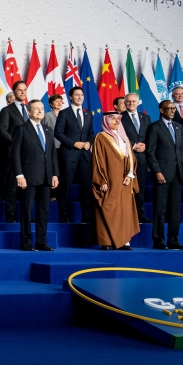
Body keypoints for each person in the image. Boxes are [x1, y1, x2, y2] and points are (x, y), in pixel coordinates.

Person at [12, 99, 60, 252]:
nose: (40, 111)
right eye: (36, 108)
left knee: (44, 211)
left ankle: (41, 242)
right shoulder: (21, 129)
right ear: (29, 111)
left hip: (46, 177)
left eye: (41, 108)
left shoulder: (48, 130)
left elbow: (52, 155)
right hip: (28, 177)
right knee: (27, 210)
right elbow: (15, 154)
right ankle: (26, 242)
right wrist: (19, 175)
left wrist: (55, 174)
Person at [91, 111, 139, 250]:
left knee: (124, 211)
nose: (117, 122)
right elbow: (97, 160)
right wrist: (102, 181)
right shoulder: (101, 137)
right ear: (106, 121)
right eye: (113, 119)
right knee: (108, 209)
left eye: (119, 119)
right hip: (109, 180)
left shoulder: (124, 138)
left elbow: (131, 158)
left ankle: (124, 241)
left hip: (124, 181)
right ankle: (107, 241)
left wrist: (130, 175)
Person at [145, 100, 183, 250]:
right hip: (162, 174)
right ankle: (158, 241)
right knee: (160, 209)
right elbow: (150, 153)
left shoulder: (179, 127)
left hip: (177, 174)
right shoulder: (154, 127)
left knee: (175, 210)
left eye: (173, 108)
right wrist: (157, 171)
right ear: (161, 110)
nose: (172, 111)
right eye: (168, 108)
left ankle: (174, 241)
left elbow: (182, 151)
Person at [54, 85, 95, 224]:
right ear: (71, 97)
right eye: (77, 95)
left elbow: (91, 133)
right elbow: (58, 133)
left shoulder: (88, 113)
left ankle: (87, 217)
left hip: (85, 156)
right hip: (69, 155)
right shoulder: (64, 113)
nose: (80, 97)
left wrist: (89, 142)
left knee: (86, 188)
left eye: (81, 95)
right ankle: (64, 217)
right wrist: (73, 143)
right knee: (65, 187)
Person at [0, 81, 29, 222]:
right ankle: (11, 216)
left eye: (25, 90)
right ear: (14, 92)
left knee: (28, 188)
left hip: (27, 155)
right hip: (12, 154)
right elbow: (1, 130)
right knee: (12, 188)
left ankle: (27, 216)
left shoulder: (30, 109)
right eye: (20, 90)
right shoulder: (6, 111)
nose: (23, 92)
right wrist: (17, 141)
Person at [121, 92, 151, 223]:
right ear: (125, 103)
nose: (131, 103)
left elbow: (150, 136)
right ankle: (127, 214)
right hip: (127, 158)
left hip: (143, 158)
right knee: (126, 188)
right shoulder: (119, 118)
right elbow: (117, 137)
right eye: (128, 101)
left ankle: (140, 214)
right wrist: (132, 145)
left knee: (141, 188)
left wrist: (145, 145)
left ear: (138, 103)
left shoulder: (146, 118)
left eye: (133, 101)